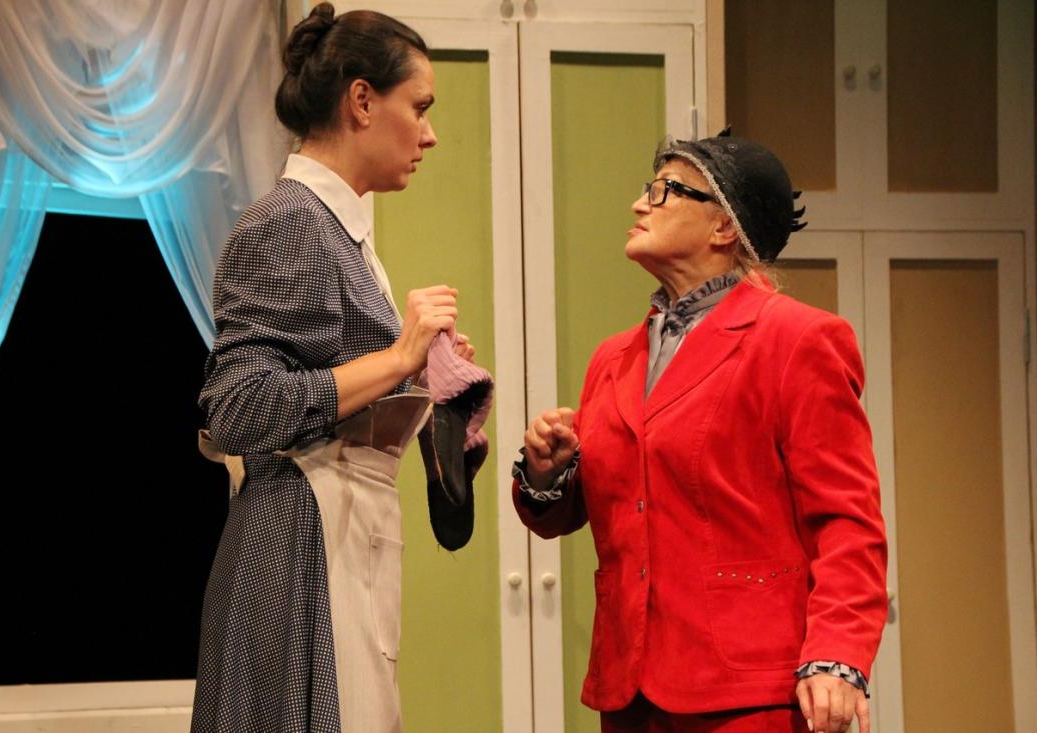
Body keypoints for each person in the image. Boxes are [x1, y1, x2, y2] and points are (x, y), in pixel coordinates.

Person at [513, 132, 888, 733]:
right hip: (630, 691)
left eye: (665, 190)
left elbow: (847, 519)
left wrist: (837, 655)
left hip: (747, 690)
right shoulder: (614, 359)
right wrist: (546, 471)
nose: (640, 204)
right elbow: (600, 508)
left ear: (723, 227)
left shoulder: (797, 340)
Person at [192, 6, 471, 731]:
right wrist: (398, 357)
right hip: (296, 548)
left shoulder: (341, 232)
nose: (430, 135)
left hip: (337, 539)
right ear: (362, 101)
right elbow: (239, 407)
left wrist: (421, 381)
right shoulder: (291, 221)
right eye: (420, 108)